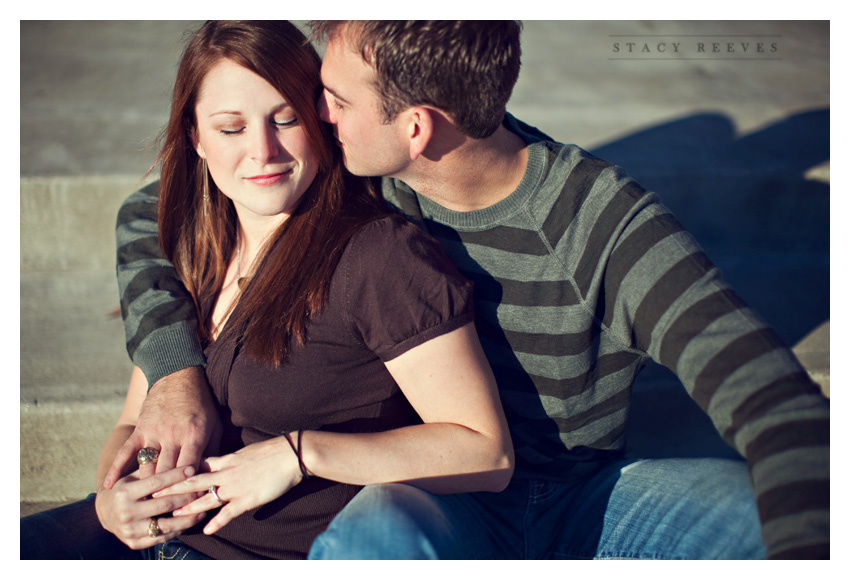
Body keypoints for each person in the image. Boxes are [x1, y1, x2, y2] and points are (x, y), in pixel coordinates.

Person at [107, 20, 829, 560]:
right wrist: (174, 366)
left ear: (416, 128)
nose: (316, 116)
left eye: (333, 98)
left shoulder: (605, 226)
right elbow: (156, 210)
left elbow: (776, 405)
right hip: (433, 495)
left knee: (749, 520)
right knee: (374, 538)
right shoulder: (368, 165)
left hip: (585, 498)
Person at [20, 20, 514, 560]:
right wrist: (117, 502)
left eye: (285, 119)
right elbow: (133, 422)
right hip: (156, 546)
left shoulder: (379, 257)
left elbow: (486, 453)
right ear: (196, 140)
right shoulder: (193, 245)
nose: (263, 150)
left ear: (322, 119)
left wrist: (300, 455)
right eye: (231, 128)